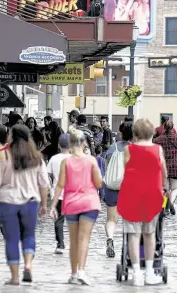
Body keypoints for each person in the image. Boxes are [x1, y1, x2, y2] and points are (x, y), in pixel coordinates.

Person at [0, 125, 49, 286]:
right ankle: (28, 265)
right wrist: (44, 204)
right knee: (29, 236)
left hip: (7, 202)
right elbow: (43, 183)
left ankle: (14, 277)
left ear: (13, 137)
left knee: (12, 239)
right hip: (30, 202)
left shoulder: (3, 156)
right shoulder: (36, 158)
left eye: (9, 134)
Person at [49, 127, 102, 286]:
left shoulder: (66, 161)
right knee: (84, 238)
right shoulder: (91, 160)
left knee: (73, 240)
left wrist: (53, 205)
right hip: (89, 202)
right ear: (84, 143)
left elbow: (60, 185)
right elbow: (99, 183)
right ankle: (82, 271)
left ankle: (73, 273)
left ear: (70, 143)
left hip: (71, 202)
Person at [117, 119, 167, 286]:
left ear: (135, 134)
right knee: (150, 233)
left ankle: (137, 273)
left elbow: (126, 169)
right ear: (152, 133)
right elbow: (163, 172)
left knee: (133, 234)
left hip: (132, 195)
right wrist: (163, 186)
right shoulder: (157, 149)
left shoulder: (128, 149)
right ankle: (150, 272)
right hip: (152, 196)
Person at [103, 122, 133, 258]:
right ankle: (128, 246)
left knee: (111, 219)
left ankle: (110, 238)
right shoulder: (135, 149)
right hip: (129, 188)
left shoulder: (112, 148)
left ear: (121, 132)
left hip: (112, 186)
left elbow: (106, 168)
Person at [47, 133, 71, 254]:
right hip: (72, 194)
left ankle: (60, 244)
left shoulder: (54, 159)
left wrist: (50, 187)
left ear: (58, 145)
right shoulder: (75, 158)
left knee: (59, 220)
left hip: (58, 194)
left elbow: (49, 176)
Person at [155, 120, 177, 215]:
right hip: (176, 166)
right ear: (172, 128)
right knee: (175, 189)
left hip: (163, 167)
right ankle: (171, 204)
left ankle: (164, 206)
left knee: (165, 189)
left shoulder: (159, 139)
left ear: (164, 127)